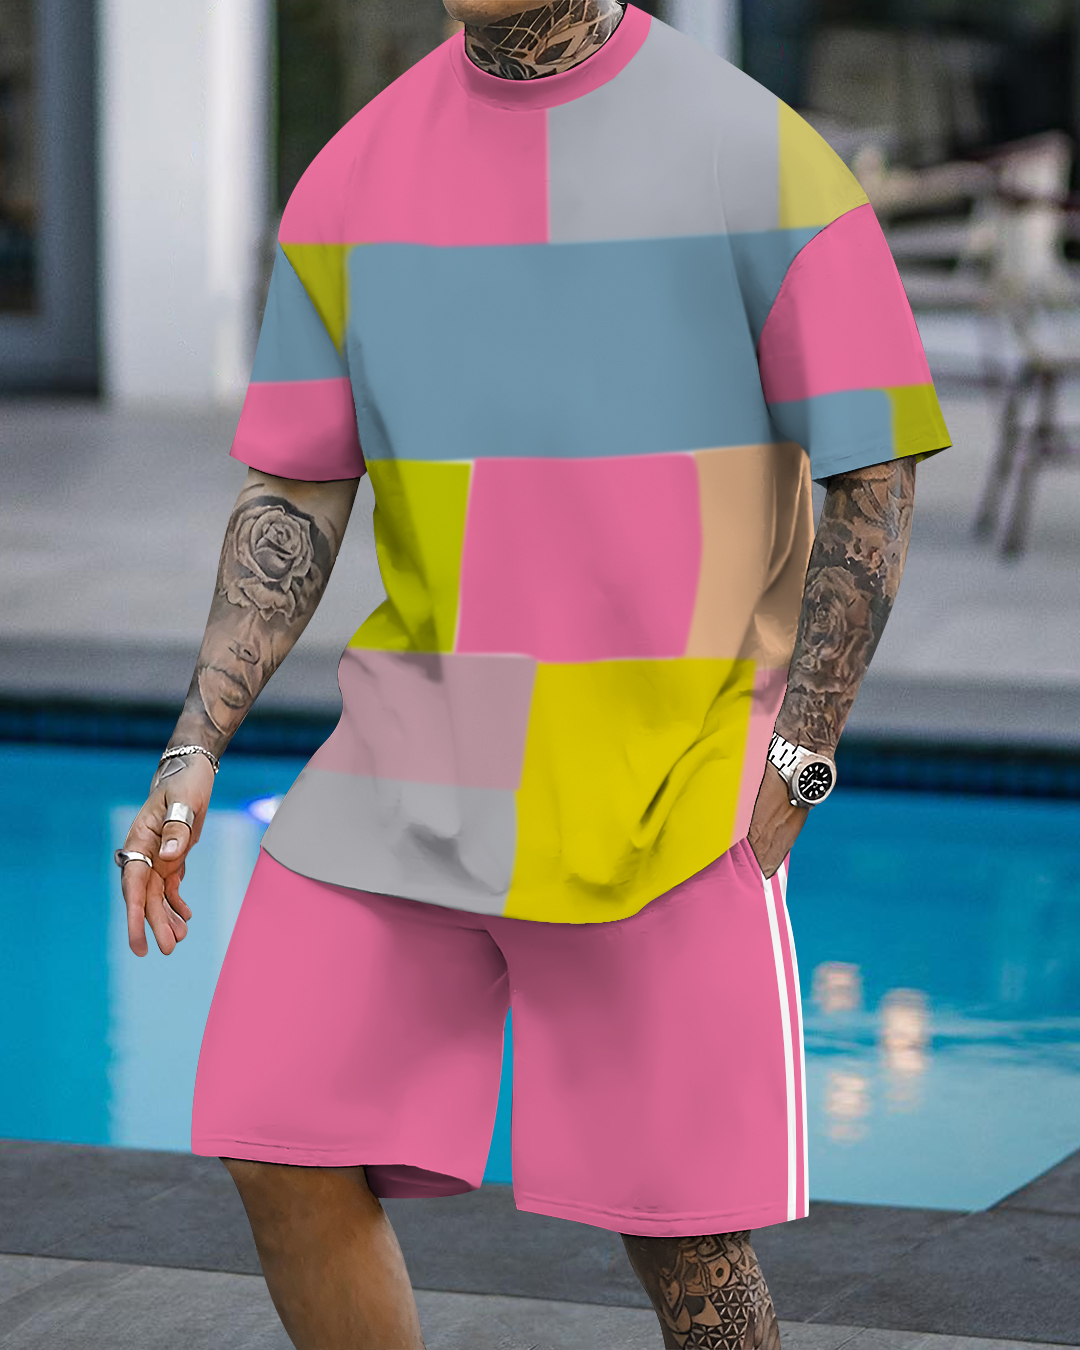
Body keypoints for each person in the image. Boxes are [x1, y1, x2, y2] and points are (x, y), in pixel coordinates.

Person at [115, 3, 951, 1346]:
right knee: (276, 1139)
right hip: (418, 747)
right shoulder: (351, 177)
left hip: (672, 767)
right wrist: (194, 740)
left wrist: (802, 747)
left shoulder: (759, 157)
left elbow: (875, 467)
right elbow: (296, 491)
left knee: (689, 1249)